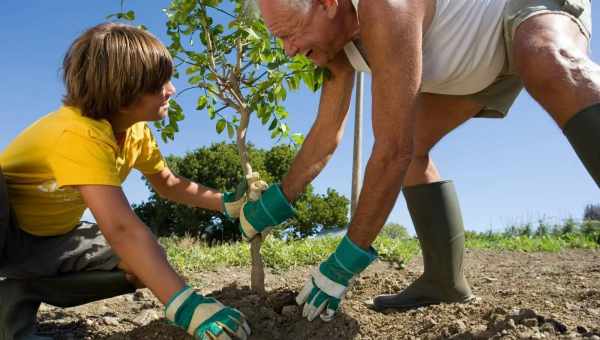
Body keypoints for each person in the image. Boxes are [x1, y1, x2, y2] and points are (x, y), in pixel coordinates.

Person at [237, 0, 599, 322]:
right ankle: (444, 281)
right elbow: (325, 134)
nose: (288, 50)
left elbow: (392, 148)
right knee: (414, 151)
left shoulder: (383, 7)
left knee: (545, 57)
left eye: (290, 33)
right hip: (476, 69)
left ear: (328, 4)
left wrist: (345, 260)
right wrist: (277, 200)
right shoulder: (334, 51)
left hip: (521, 12)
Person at [0, 23, 251, 340]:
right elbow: (121, 228)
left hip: (51, 239)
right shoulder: (77, 134)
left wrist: (228, 203)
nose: (171, 89)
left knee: (144, 264)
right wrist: (186, 306)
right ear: (123, 97)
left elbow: (167, 183)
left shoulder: (135, 133)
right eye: (158, 84)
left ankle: (19, 292)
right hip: (6, 231)